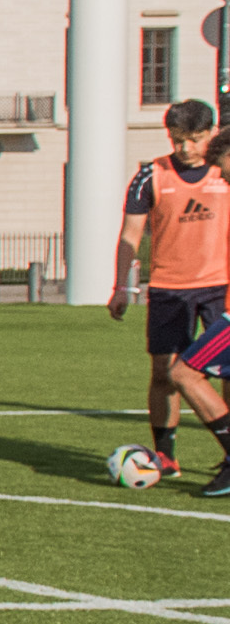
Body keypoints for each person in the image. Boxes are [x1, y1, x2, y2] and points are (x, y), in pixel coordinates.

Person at [107, 100, 229, 497]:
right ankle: (166, 456)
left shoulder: (225, 170)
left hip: (220, 286)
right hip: (169, 289)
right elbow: (130, 235)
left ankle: (228, 457)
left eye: (194, 139)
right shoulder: (151, 176)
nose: (186, 148)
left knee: (226, 372)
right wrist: (122, 287)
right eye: (178, 140)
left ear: (211, 133)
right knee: (164, 372)